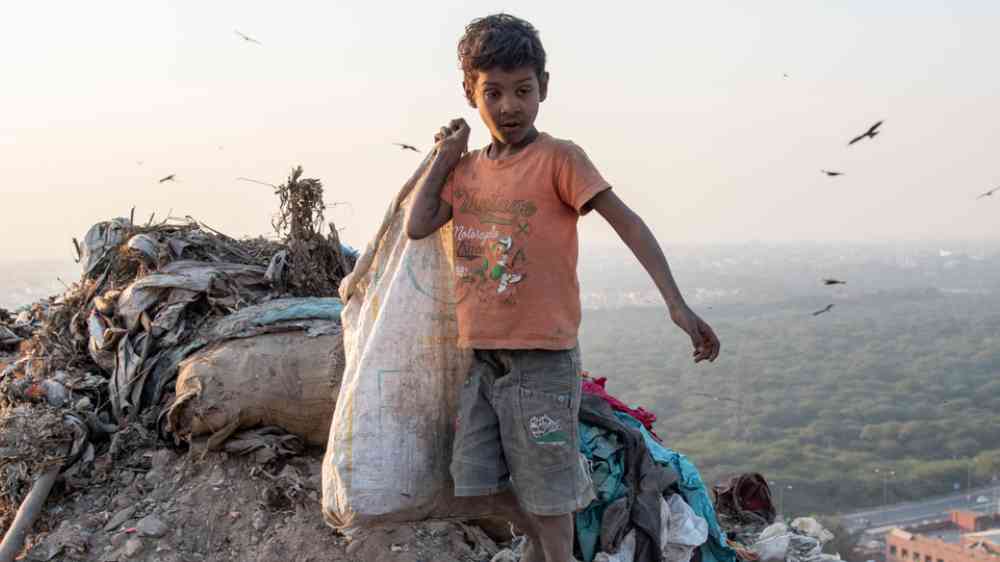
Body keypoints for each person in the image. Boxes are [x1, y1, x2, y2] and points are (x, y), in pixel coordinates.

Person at [405, 13, 720, 562]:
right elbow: (419, 221)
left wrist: (676, 302)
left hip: (543, 362)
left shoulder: (559, 159)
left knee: (550, 503)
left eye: (522, 91)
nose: (509, 106)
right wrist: (444, 156)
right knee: (477, 482)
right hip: (484, 359)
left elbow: (628, 222)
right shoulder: (467, 170)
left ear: (543, 88)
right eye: (493, 92)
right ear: (469, 93)